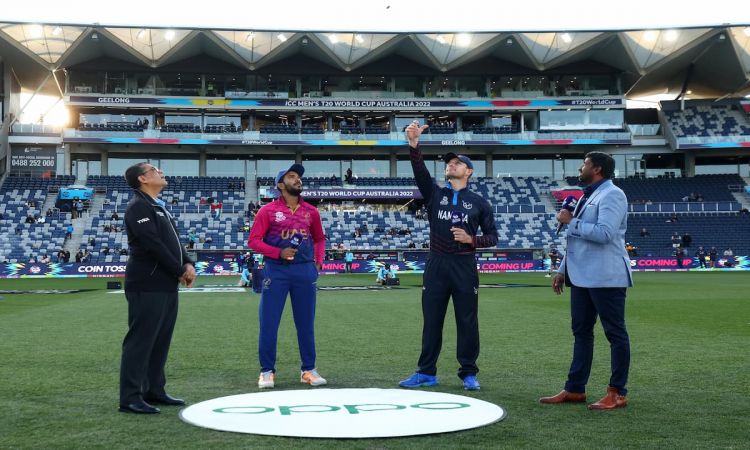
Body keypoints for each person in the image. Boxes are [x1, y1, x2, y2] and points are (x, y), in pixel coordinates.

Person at [399, 121, 498, 392]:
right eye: (449, 163)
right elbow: (420, 173)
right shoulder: (435, 195)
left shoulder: (479, 202)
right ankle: (426, 372)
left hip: (464, 265)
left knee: (467, 321)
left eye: (457, 162)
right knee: (432, 320)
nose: (451, 165)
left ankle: (468, 373)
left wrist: (472, 240)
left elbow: (493, 237)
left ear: (469, 171)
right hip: (437, 263)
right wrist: (414, 145)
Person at [542, 151, 633, 410]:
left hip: (606, 276)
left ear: (598, 168)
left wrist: (571, 221)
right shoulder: (587, 195)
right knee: (581, 332)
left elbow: (604, 234)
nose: (580, 168)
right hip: (581, 277)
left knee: (615, 333)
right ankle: (575, 388)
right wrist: (562, 270)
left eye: (585, 164)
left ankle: (617, 392)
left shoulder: (613, 194)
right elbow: (576, 241)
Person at [119, 163, 196, 415]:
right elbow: (152, 244)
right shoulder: (138, 206)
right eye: (154, 170)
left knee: (160, 340)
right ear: (143, 178)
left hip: (164, 283)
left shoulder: (157, 206)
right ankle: (130, 397)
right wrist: (179, 270)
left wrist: (188, 262)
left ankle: (154, 390)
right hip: (147, 283)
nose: (161, 172)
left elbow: (173, 241)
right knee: (141, 341)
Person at [247, 163, 327, 389]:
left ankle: (308, 370)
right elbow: (253, 241)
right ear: (281, 184)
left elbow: (320, 239)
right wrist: (278, 252)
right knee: (269, 323)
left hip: (304, 271)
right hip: (276, 270)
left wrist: (318, 262)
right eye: (292, 177)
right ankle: (266, 371)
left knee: (305, 324)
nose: (298, 179)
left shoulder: (311, 211)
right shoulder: (267, 211)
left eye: (299, 177)